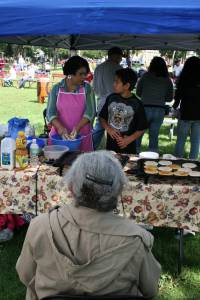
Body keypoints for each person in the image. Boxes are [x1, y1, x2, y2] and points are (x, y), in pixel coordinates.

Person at [16, 151, 161, 300]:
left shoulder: (41, 226)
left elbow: (25, 274)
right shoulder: (136, 239)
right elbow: (150, 290)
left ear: (71, 188)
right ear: (118, 191)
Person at [47, 56, 96, 152]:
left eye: (85, 74)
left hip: (82, 135)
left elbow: (90, 112)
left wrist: (77, 128)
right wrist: (60, 127)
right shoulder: (57, 89)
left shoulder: (87, 89)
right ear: (70, 74)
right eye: (80, 74)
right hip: (59, 137)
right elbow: (50, 112)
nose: (84, 77)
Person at [99, 68, 148, 154]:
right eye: (114, 81)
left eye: (117, 82)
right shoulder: (111, 98)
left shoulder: (137, 104)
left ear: (126, 86)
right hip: (110, 147)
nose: (114, 84)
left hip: (128, 148)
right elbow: (102, 118)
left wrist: (129, 139)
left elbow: (142, 127)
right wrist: (108, 128)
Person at [136, 57, 173, 153]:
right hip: (159, 110)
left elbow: (138, 92)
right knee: (154, 136)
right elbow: (170, 98)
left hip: (145, 108)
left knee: (138, 135)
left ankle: (134, 154)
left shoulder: (145, 76)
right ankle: (152, 157)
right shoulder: (167, 79)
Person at [93, 47, 123, 149]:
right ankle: (114, 150)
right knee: (116, 128)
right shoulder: (118, 69)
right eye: (120, 56)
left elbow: (95, 88)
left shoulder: (98, 68)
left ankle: (90, 148)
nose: (121, 59)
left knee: (99, 128)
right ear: (115, 55)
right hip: (115, 102)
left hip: (101, 100)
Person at [173, 56, 200, 159]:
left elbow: (178, 96)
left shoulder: (184, 79)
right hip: (198, 115)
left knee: (181, 139)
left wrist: (175, 107)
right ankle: (193, 162)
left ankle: (177, 161)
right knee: (196, 141)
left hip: (185, 113)